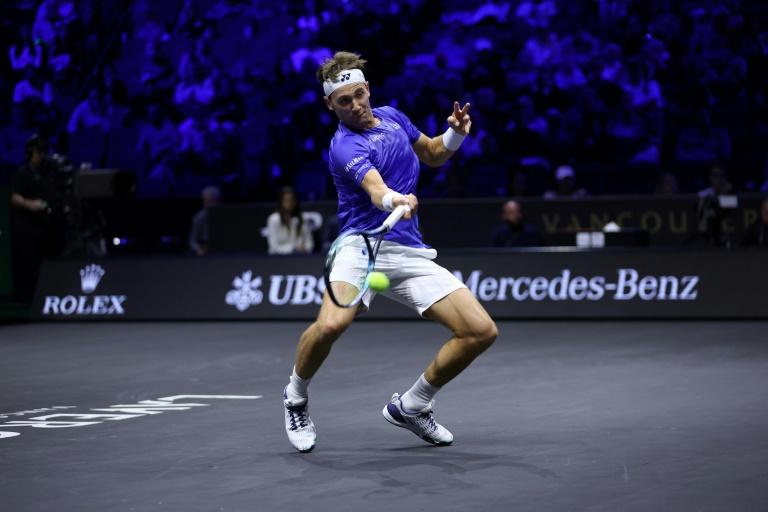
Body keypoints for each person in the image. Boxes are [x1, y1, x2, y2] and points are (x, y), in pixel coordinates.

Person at [282, 51, 497, 453]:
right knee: (331, 326)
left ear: (368, 89)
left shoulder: (394, 117)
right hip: (359, 246)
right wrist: (396, 199)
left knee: (480, 331)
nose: (355, 105)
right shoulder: (344, 146)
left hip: (406, 249)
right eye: (344, 101)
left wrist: (456, 134)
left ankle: (413, 405)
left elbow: (432, 153)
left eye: (359, 95)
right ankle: (295, 396)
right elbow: (376, 189)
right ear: (330, 105)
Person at [9, 135, 62, 302]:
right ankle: (27, 299)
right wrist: (30, 204)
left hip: (44, 226)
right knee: (28, 265)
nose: (42, 156)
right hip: (27, 227)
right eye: (40, 152)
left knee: (45, 264)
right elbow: (14, 197)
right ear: (31, 153)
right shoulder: (22, 172)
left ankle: (45, 297)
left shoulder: (47, 173)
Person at [265, 186, 314, 255]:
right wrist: (293, 249)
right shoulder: (273, 219)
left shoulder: (303, 218)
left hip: (300, 259)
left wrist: (304, 248)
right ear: (281, 202)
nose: (289, 203)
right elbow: (273, 247)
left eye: (292, 200)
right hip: (278, 259)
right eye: (286, 200)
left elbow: (310, 244)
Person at [188, 185, 220, 256]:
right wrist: (198, 249)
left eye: (212, 201)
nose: (210, 204)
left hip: (223, 253)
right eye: (207, 201)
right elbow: (192, 241)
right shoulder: (199, 217)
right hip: (206, 252)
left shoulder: (224, 217)